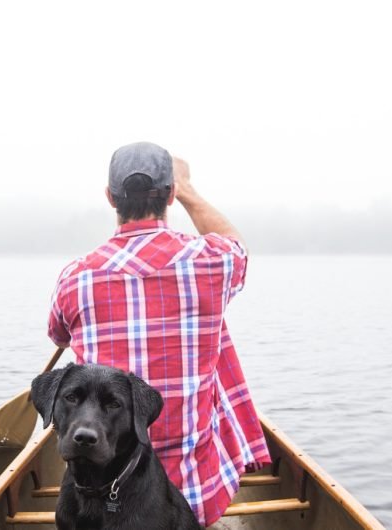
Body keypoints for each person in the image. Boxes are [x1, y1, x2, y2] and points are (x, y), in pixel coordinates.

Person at [46, 141, 271, 526]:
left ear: (110, 198)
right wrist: (188, 188)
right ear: (169, 195)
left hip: (97, 492)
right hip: (194, 493)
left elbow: (59, 336)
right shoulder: (214, 261)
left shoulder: (75, 278)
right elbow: (238, 245)